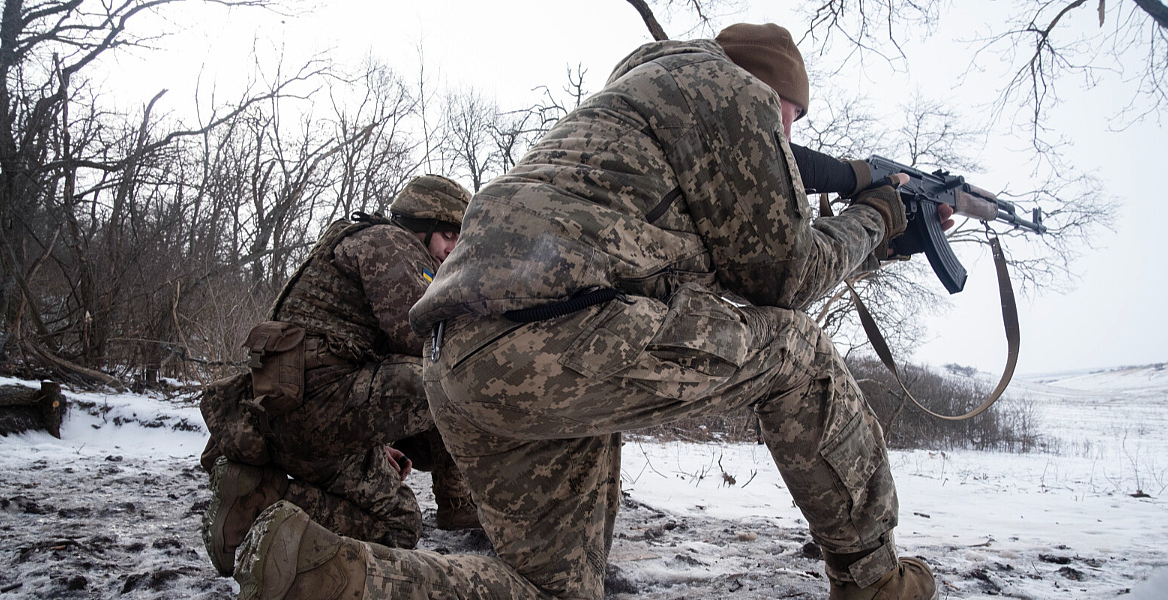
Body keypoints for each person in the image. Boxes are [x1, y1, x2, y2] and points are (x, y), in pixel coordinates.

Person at [231, 23, 949, 600]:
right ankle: (875, 580)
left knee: (552, 588)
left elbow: (743, 265)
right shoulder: (730, 90)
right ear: (771, 92)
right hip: (557, 338)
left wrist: (880, 237)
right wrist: (878, 215)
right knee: (795, 353)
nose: (786, 139)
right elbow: (786, 280)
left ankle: (336, 578)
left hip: (460, 362)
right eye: (790, 119)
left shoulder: (626, 124)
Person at [197, 174, 480, 579]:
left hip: (292, 415)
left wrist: (377, 444)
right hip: (316, 411)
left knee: (401, 523)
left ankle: (260, 498)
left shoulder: (353, 239)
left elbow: (350, 351)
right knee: (449, 373)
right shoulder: (392, 243)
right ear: (422, 225)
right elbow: (423, 337)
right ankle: (457, 504)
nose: (453, 248)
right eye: (449, 235)